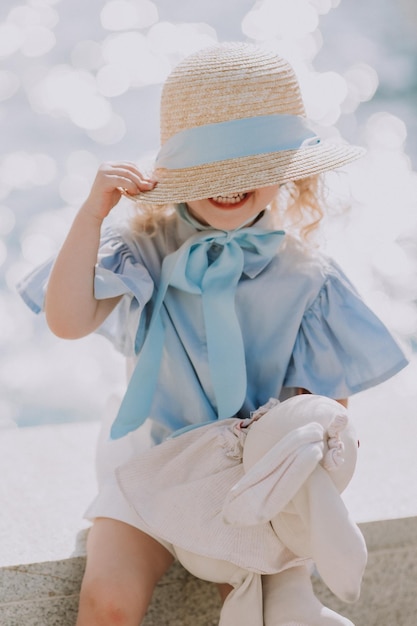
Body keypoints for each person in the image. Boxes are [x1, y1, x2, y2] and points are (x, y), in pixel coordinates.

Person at [17, 42, 408, 625]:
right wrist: (91, 216)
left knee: (266, 606)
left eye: (251, 167)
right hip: (151, 469)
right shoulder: (145, 250)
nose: (229, 184)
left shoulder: (309, 281)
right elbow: (67, 323)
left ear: (286, 172)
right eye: (211, 168)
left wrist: (291, 454)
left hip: (251, 484)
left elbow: (324, 416)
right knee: (108, 602)